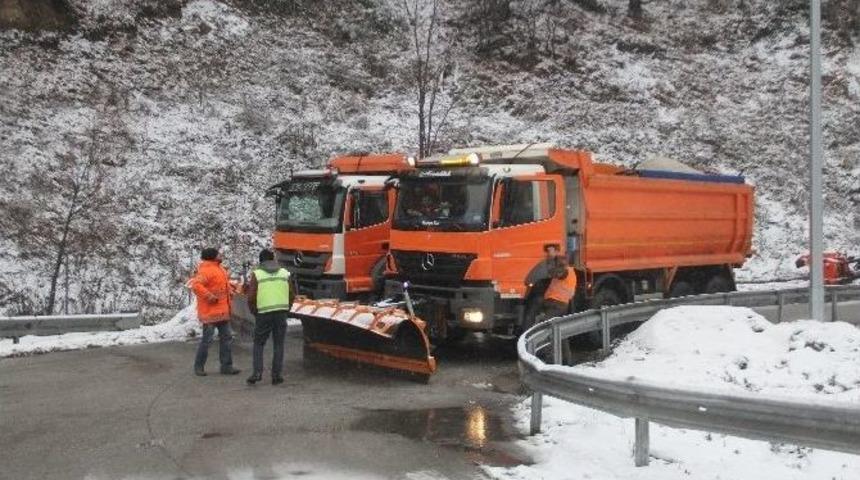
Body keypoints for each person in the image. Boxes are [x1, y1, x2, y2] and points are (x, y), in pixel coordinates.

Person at [244, 249, 295, 386]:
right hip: (280, 313)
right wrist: (286, 309)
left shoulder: (257, 274)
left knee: (259, 343)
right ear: (273, 259)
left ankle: (257, 373)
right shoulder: (285, 273)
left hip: (263, 314)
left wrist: (255, 311)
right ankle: (277, 376)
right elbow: (291, 294)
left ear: (260, 261)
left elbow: (251, 297)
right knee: (278, 344)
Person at [188, 247, 241, 377]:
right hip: (210, 313)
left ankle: (226, 366)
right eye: (218, 254)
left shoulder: (219, 269)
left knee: (226, 339)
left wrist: (231, 290)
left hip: (222, 311)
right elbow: (196, 285)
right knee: (207, 341)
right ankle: (199, 366)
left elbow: (222, 285)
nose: (221, 255)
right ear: (213, 256)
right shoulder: (206, 271)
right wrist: (209, 296)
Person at [540, 244, 577, 320]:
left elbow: (554, 273)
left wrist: (551, 256)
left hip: (557, 304)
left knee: (545, 323)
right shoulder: (569, 272)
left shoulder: (566, 272)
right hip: (556, 303)